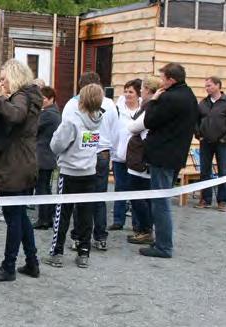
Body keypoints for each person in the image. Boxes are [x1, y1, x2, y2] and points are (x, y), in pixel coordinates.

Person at [0, 59, 42, 282]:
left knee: (13, 218)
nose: (1, 81)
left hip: (15, 164)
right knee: (20, 216)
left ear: (14, 77)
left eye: (4, 78)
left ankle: (8, 266)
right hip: (24, 161)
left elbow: (16, 115)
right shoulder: (31, 95)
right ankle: (32, 262)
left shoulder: (21, 96)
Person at [140, 63, 199, 258]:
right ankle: (161, 242)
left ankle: (163, 246)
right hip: (175, 155)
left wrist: (153, 100)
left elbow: (149, 120)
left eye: (163, 78)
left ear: (171, 79)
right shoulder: (189, 95)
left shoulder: (169, 98)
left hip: (163, 155)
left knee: (160, 202)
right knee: (162, 199)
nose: (161, 83)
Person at [45, 84, 104, 269]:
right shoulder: (98, 120)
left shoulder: (71, 120)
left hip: (69, 172)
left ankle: (57, 252)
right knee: (86, 215)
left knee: (62, 214)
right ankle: (84, 252)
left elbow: (56, 145)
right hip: (89, 172)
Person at [61, 72, 118, 251]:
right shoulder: (110, 104)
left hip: (82, 153)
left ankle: (78, 237)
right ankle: (100, 237)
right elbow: (115, 131)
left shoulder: (73, 104)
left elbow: (64, 131)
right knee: (98, 197)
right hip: (102, 152)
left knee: (79, 199)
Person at [195, 76, 226, 211]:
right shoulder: (203, 103)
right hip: (205, 142)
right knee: (205, 172)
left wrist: (225, 138)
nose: (207, 88)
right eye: (206, 86)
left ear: (218, 85)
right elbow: (195, 121)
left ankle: (222, 201)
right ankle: (205, 200)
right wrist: (198, 135)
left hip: (222, 143)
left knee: (223, 171)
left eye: (209, 85)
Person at [126, 75, 161, 245]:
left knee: (139, 197)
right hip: (144, 158)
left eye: (141, 89)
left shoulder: (149, 107)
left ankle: (146, 230)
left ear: (147, 90)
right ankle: (145, 229)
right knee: (144, 197)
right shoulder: (151, 106)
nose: (140, 92)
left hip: (141, 159)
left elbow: (134, 127)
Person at [110, 79, 142, 232]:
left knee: (136, 190)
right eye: (126, 91)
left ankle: (137, 223)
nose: (128, 94)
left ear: (138, 94)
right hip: (119, 155)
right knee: (120, 188)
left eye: (131, 92)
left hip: (136, 157)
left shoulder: (143, 109)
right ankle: (118, 219)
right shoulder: (117, 109)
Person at [33, 86, 62, 230]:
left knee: (42, 189)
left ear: (51, 99)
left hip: (44, 156)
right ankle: (46, 217)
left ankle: (44, 219)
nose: (41, 101)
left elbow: (33, 128)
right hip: (47, 156)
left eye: (44, 98)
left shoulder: (48, 114)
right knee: (45, 188)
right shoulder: (52, 112)